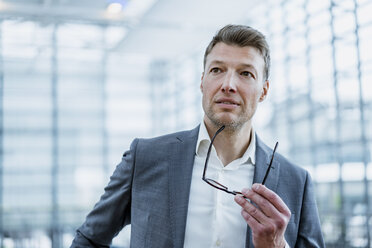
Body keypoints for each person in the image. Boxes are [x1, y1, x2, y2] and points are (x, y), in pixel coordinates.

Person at [71, 24, 325, 248]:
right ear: (202, 81)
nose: (228, 84)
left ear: (264, 90)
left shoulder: (296, 182)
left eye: (245, 73)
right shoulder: (145, 158)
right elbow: (89, 240)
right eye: (217, 70)